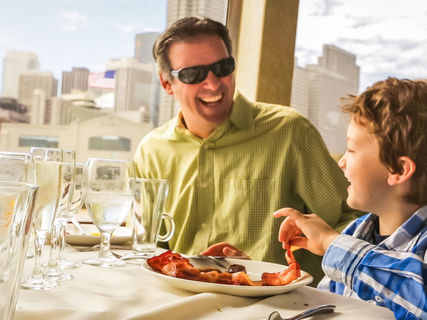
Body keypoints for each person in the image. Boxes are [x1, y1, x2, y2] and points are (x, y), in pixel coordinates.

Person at [134, 16, 362, 284]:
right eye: (193, 74)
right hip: (180, 297)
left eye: (222, 67)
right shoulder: (151, 150)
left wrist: (271, 267)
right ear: (166, 84)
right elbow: (146, 246)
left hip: (277, 305)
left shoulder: (290, 131)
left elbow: (354, 220)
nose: (213, 84)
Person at [273, 78, 427, 319]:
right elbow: (324, 308)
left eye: (351, 149)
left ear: (398, 169)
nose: (341, 162)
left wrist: (331, 243)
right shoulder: (356, 232)